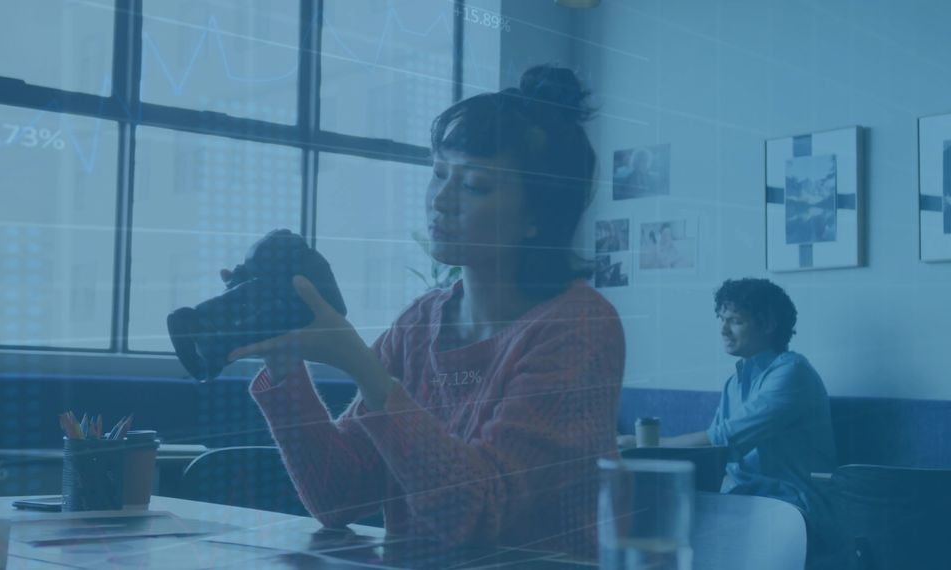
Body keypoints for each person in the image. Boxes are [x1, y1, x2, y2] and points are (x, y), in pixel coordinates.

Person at [227, 65, 625, 557]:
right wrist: (284, 359)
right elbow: (338, 497)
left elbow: (481, 519)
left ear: (537, 218)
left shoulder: (578, 325)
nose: (440, 200)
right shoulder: (421, 322)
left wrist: (360, 363)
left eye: (475, 185)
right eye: (438, 173)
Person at [618, 278, 836, 550]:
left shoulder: (792, 373)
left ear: (768, 325)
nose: (723, 330)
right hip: (740, 499)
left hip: (790, 505)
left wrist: (643, 446)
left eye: (735, 321)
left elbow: (722, 442)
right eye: (721, 319)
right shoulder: (734, 382)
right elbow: (712, 457)